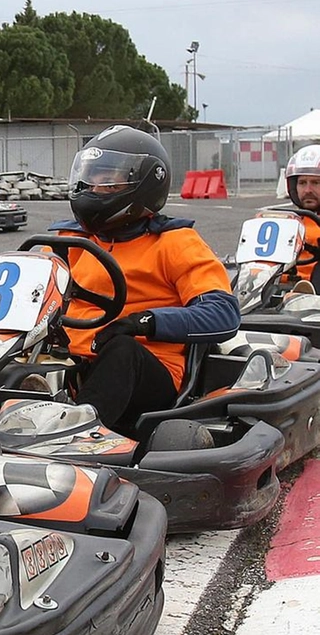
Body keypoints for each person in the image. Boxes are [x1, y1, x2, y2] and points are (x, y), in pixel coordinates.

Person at [50, 125, 239, 436]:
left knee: (123, 350)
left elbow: (223, 313)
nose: (95, 188)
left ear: (146, 185)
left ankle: (73, 434)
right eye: (91, 179)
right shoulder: (68, 239)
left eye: (108, 181)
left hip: (149, 370)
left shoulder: (175, 242)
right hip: (74, 360)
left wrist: (144, 323)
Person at [282, 144, 320, 284]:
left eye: (316, 182)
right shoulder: (285, 222)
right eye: (302, 183)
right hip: (279, 291)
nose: (308, 190)